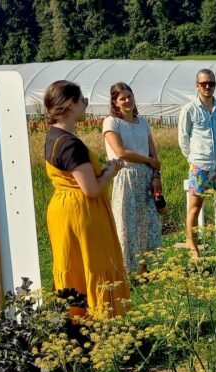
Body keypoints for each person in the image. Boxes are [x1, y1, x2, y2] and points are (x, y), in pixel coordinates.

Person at [43, 80, 129, 318]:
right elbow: (90, 189)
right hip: (81, 212)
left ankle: (73, 320)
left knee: (72, 265)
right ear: (70, 105)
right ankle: (98, 320)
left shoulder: (53, 136)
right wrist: (110, 172)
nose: (85, 105)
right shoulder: (71, 144)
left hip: (62, 208)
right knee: (93, 263)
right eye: (83, 101)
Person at [103, 82, 163, 276]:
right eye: (122, 98)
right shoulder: (112, 122)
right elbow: (121, 152)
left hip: (146, 177)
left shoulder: (142, 123)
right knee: (126, 223)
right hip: (126, 175)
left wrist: (156, 175)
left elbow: (155, 157)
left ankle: (144, 268)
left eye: (129, 96)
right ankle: (125, 270)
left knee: (146, 223)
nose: (127, 100)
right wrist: (147, 160)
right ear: (115, 102)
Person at [178, 68, 216, 259]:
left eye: (211, 83)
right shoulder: (189, 109)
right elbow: (183, 138)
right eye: (204, 83)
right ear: (197, 85)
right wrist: (193, 160)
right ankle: (192, 245)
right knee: (195, 207)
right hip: (200, 166)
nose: (207, 87)